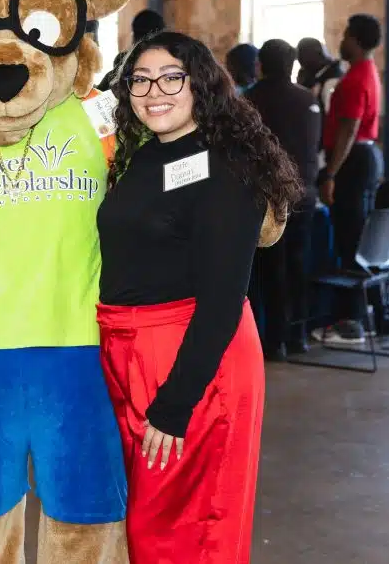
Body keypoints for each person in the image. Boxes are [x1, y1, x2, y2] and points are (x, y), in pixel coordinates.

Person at [96, 30, 303, 563]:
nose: (152, 90)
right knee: (149, 525)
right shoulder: (142, 157)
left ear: (201, 85)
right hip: (131, 351)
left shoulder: (226, 167)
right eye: (139, 79)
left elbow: (223, 301)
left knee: (186, 531)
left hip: (194, 360)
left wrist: (176, 403)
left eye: (170, 76)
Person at [246, 39, 323, 360]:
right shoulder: (308, 100)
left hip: (267, 197)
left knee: (268, 271)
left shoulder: (249, 100)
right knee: (298, 264)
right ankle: (298, 336)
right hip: (304, 193)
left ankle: (272, 340)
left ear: (260, 65)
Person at [318, 14, 384, 343]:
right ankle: (366, 312)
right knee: (358, 236)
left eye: (345, 34)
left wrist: (331, 173)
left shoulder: (356, 78)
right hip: (367, 156)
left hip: (353, 159)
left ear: (355, 40)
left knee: (351, 239)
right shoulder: (369, 72)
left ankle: (352, 322)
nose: (341, 40)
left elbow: (348, 128)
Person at [296, 37, 344, 147]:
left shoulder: (332, 79)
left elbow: (330, 116)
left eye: (302, 56)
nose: (299, 61)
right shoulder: (311, 73)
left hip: (324, 143)